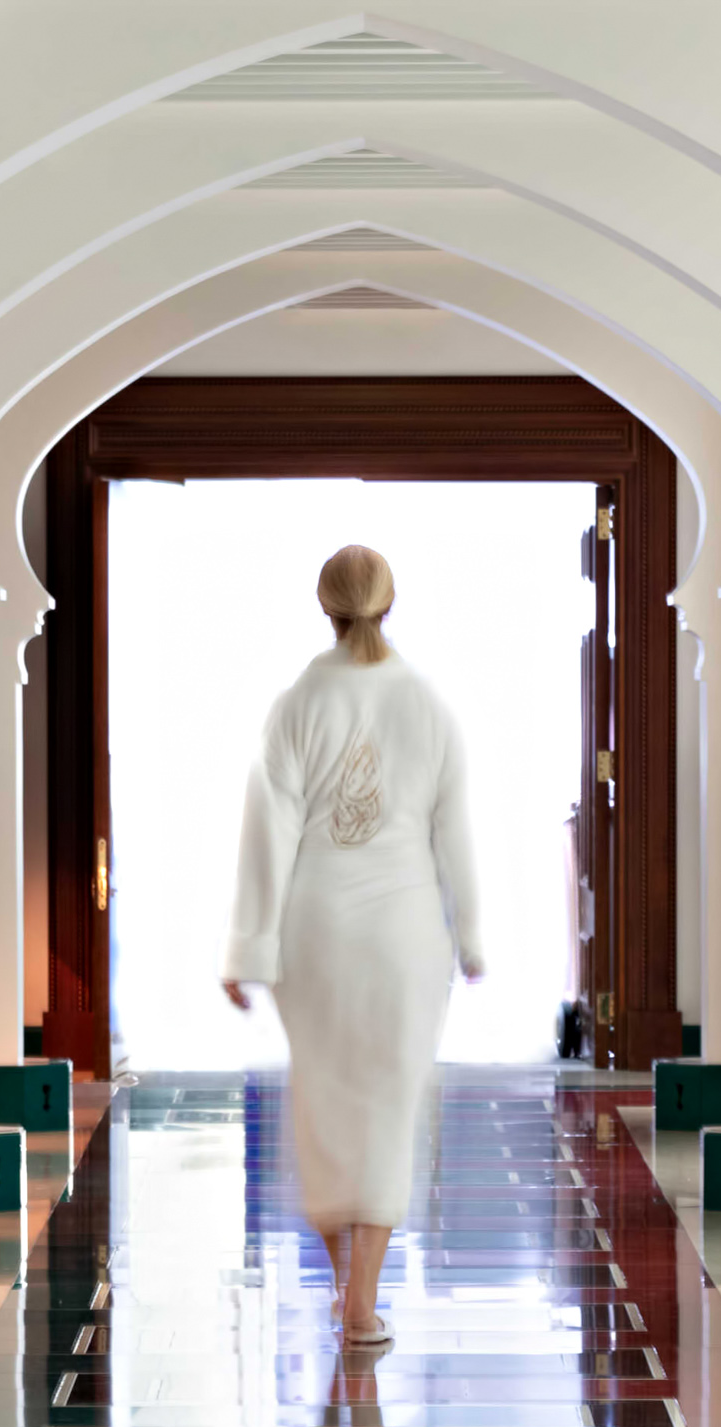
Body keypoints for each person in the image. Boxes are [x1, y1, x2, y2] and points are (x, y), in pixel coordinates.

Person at [222, 544, 484, 1344]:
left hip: (318, 934)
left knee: (329, 1110)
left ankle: (349, 1291)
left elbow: (269, 832)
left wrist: (249, 950)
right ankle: (360, 1303)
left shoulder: (298, 702)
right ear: (390, 603)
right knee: (387, 1111)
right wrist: (468, 936)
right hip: (406, 941)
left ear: (325, 607)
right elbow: (454, 835)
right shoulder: (430, 707)